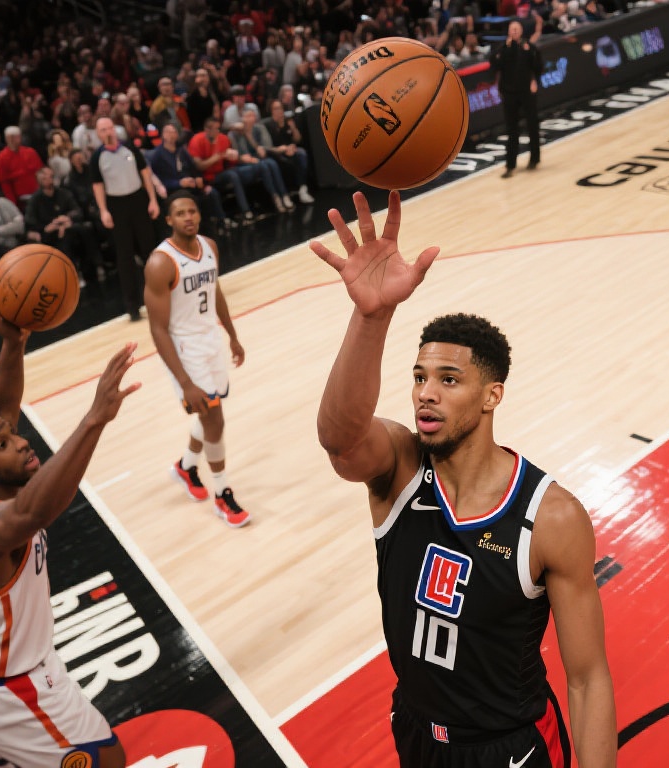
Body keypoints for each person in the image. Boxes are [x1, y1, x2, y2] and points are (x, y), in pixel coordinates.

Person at [313, 191, 617, 768]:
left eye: (448, 380)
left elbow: (587, 678)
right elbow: (340, 440)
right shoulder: (400, 469)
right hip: (417, 734)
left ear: (491, 396)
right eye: (419, 377)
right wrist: (371, 317)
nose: (426, 393)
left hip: (510, 749)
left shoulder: (551, 517)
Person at [0, 282, 139, 767]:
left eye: (13, 436)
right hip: (6, 689)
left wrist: (13, 344)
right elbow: (33, 513)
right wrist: (94, 418)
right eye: (4, 446)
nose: (22, 442)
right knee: (108, 760)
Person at [143, 191, 249, 528]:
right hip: (184, 349)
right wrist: (185, 382)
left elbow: (215, 292)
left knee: (209, 413)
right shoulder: (160, 263)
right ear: (169, 220)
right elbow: (158, 329)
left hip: (210, 341)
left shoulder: (209, 247)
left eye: (192, 211)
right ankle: (222, 494)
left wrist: (232, 335)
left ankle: (186, 467)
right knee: (215, 420)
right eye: (180, 213)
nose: (188, 217)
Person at [91, 117, 161, 321]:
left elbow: (145, 173)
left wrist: (152, 199)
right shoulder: (97, 157)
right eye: (103, 130)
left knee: (150, 250)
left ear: (115, 129)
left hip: (138, 199)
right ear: (98, 134)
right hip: (116, 205)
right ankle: (133, 306)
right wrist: (103, 210)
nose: (108, 132)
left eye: (110, 128)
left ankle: (160, 295)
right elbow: (97, 185)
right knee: (125, 257)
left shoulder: (129, 147)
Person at [147, 124, 233, 232]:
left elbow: (194, 168)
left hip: (191, 184)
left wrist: (199, 179)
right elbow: (161, 182)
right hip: (174, 190)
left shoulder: (181, 150)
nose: (171, 135)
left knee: (211, 192)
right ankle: (199, 230)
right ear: (163, 135)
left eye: (174, 132)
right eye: (168, 132)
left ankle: (221, 223)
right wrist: (179, 183)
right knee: (191, 198)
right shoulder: (157, 156)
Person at [26, 166, 103, 284]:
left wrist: (67, 218)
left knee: (84, 229)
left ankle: (96, 266)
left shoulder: (63, 193)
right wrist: (51, 226)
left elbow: (77, 211)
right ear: (39, 181)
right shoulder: (35, 200)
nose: (48, 180)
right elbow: (30, 221)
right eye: (44, 178)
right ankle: (73, 274)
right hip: (49, 232)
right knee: (65, 236)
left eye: (49, 177)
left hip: (69, 227)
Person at [490, 20, 542, 178]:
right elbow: (494, 64)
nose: (514, 31)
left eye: (517, 29)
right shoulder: (503, 49)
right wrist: (502, 50)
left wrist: (535, 80)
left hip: (526, 92)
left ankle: (534, 159)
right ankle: (510, 165)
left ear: (521, 31)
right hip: (509, 93)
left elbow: (538, 66)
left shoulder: (529, 47)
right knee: (512, 129)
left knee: (532, 125)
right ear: (508, 31)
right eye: (512, 29)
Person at [263, 99, 315, 204]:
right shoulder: (268, 125)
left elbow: (297, 140)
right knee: (279, 161)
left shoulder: (288, 121)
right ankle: (285, 194)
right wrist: (282, 149)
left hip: (291, 149)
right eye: (276, 109)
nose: (279, 111)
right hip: (276, 152)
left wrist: (293, 128)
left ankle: (303, 188)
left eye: (280, 108)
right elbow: (267, 147)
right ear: (271, 111)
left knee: (301, 153)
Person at [0, 125, 44, 207]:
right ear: (7, 139)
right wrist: (12, 203)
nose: (13, 140)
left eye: (16, 137)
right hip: (20, 199)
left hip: (38, 194)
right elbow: (5, 182)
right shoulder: (1, 157)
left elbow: (41, 173)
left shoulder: (31, 152)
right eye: (11, 137)